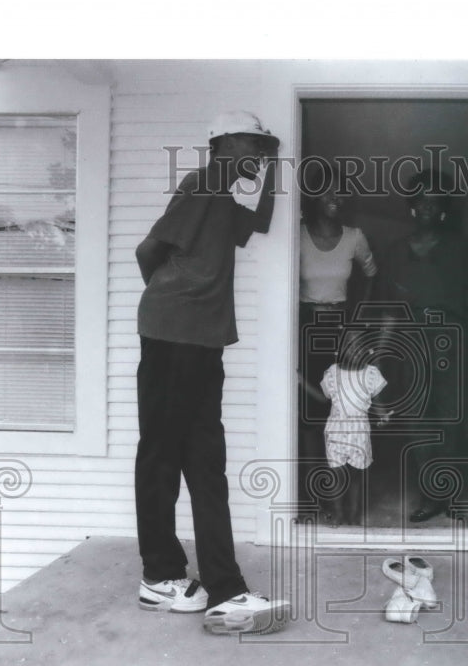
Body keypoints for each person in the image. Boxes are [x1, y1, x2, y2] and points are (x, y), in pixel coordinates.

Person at [133, 110, 290, 635]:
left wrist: (272, 170)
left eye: (266, 148)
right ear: (222, 144)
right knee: (162, 454)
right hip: (173, 337)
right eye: (253, 145)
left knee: (205, 462)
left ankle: (226, 590)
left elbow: (260, 224)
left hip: (203, 342)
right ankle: (160, 577)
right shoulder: (201, 185)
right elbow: (148, 250)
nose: (261, 154)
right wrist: (172, 301)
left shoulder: (222, 199)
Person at [379, 170, 468, 523]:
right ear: (412, 205)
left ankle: (450, 495)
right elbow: (390, 310)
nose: (427, 206)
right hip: (412, 341)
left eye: (434, 201)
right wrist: (380, 354)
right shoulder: (396, 252)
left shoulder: (459, 248)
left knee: (450, 418)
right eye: (421, 199)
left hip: (450, 338)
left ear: (443, 209)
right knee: (418, 419)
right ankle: (429, 495)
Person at [297, 161, 378, 515]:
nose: (335, 197)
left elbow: (372, 273)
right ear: (313, 195)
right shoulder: (297, 234)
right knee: (309, 413)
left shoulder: (354, 236)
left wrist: (357, 318)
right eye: (326, 190)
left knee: (340, 412)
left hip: (341, 328)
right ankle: (314, 494)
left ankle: (339, 497)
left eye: (341, 191)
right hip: (305, 326)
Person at [299, 327, 391, 525]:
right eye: (350, 345)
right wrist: (302, 382)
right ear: (342, 349)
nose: (355, 350)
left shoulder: (371, 374)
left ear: (366, 349)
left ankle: (354, 514)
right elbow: (322, 398)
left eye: (359, 345)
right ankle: (339, 513)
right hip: (336, 430)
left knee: (356, 476)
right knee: (337, 474)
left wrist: (384, 417)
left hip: (359, 431)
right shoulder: (333, 373)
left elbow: (378, 404)